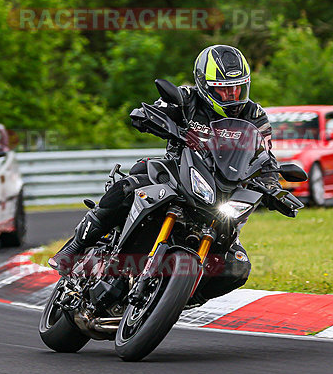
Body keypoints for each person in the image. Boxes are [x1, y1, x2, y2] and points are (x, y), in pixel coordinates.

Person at [48, 45, 280, 304]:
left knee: (237, 266)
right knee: (129, 185)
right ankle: (76, 245)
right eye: (223, 88)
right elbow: (148, 111)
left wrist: (273, 187)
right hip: (177, 172)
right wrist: (149, 118)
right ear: (204, 84)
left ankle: (180, 297)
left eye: (238, 87)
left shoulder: (255, 115)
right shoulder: (186, 98)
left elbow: (265, 156)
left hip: (222, 190)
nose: (231, 95)